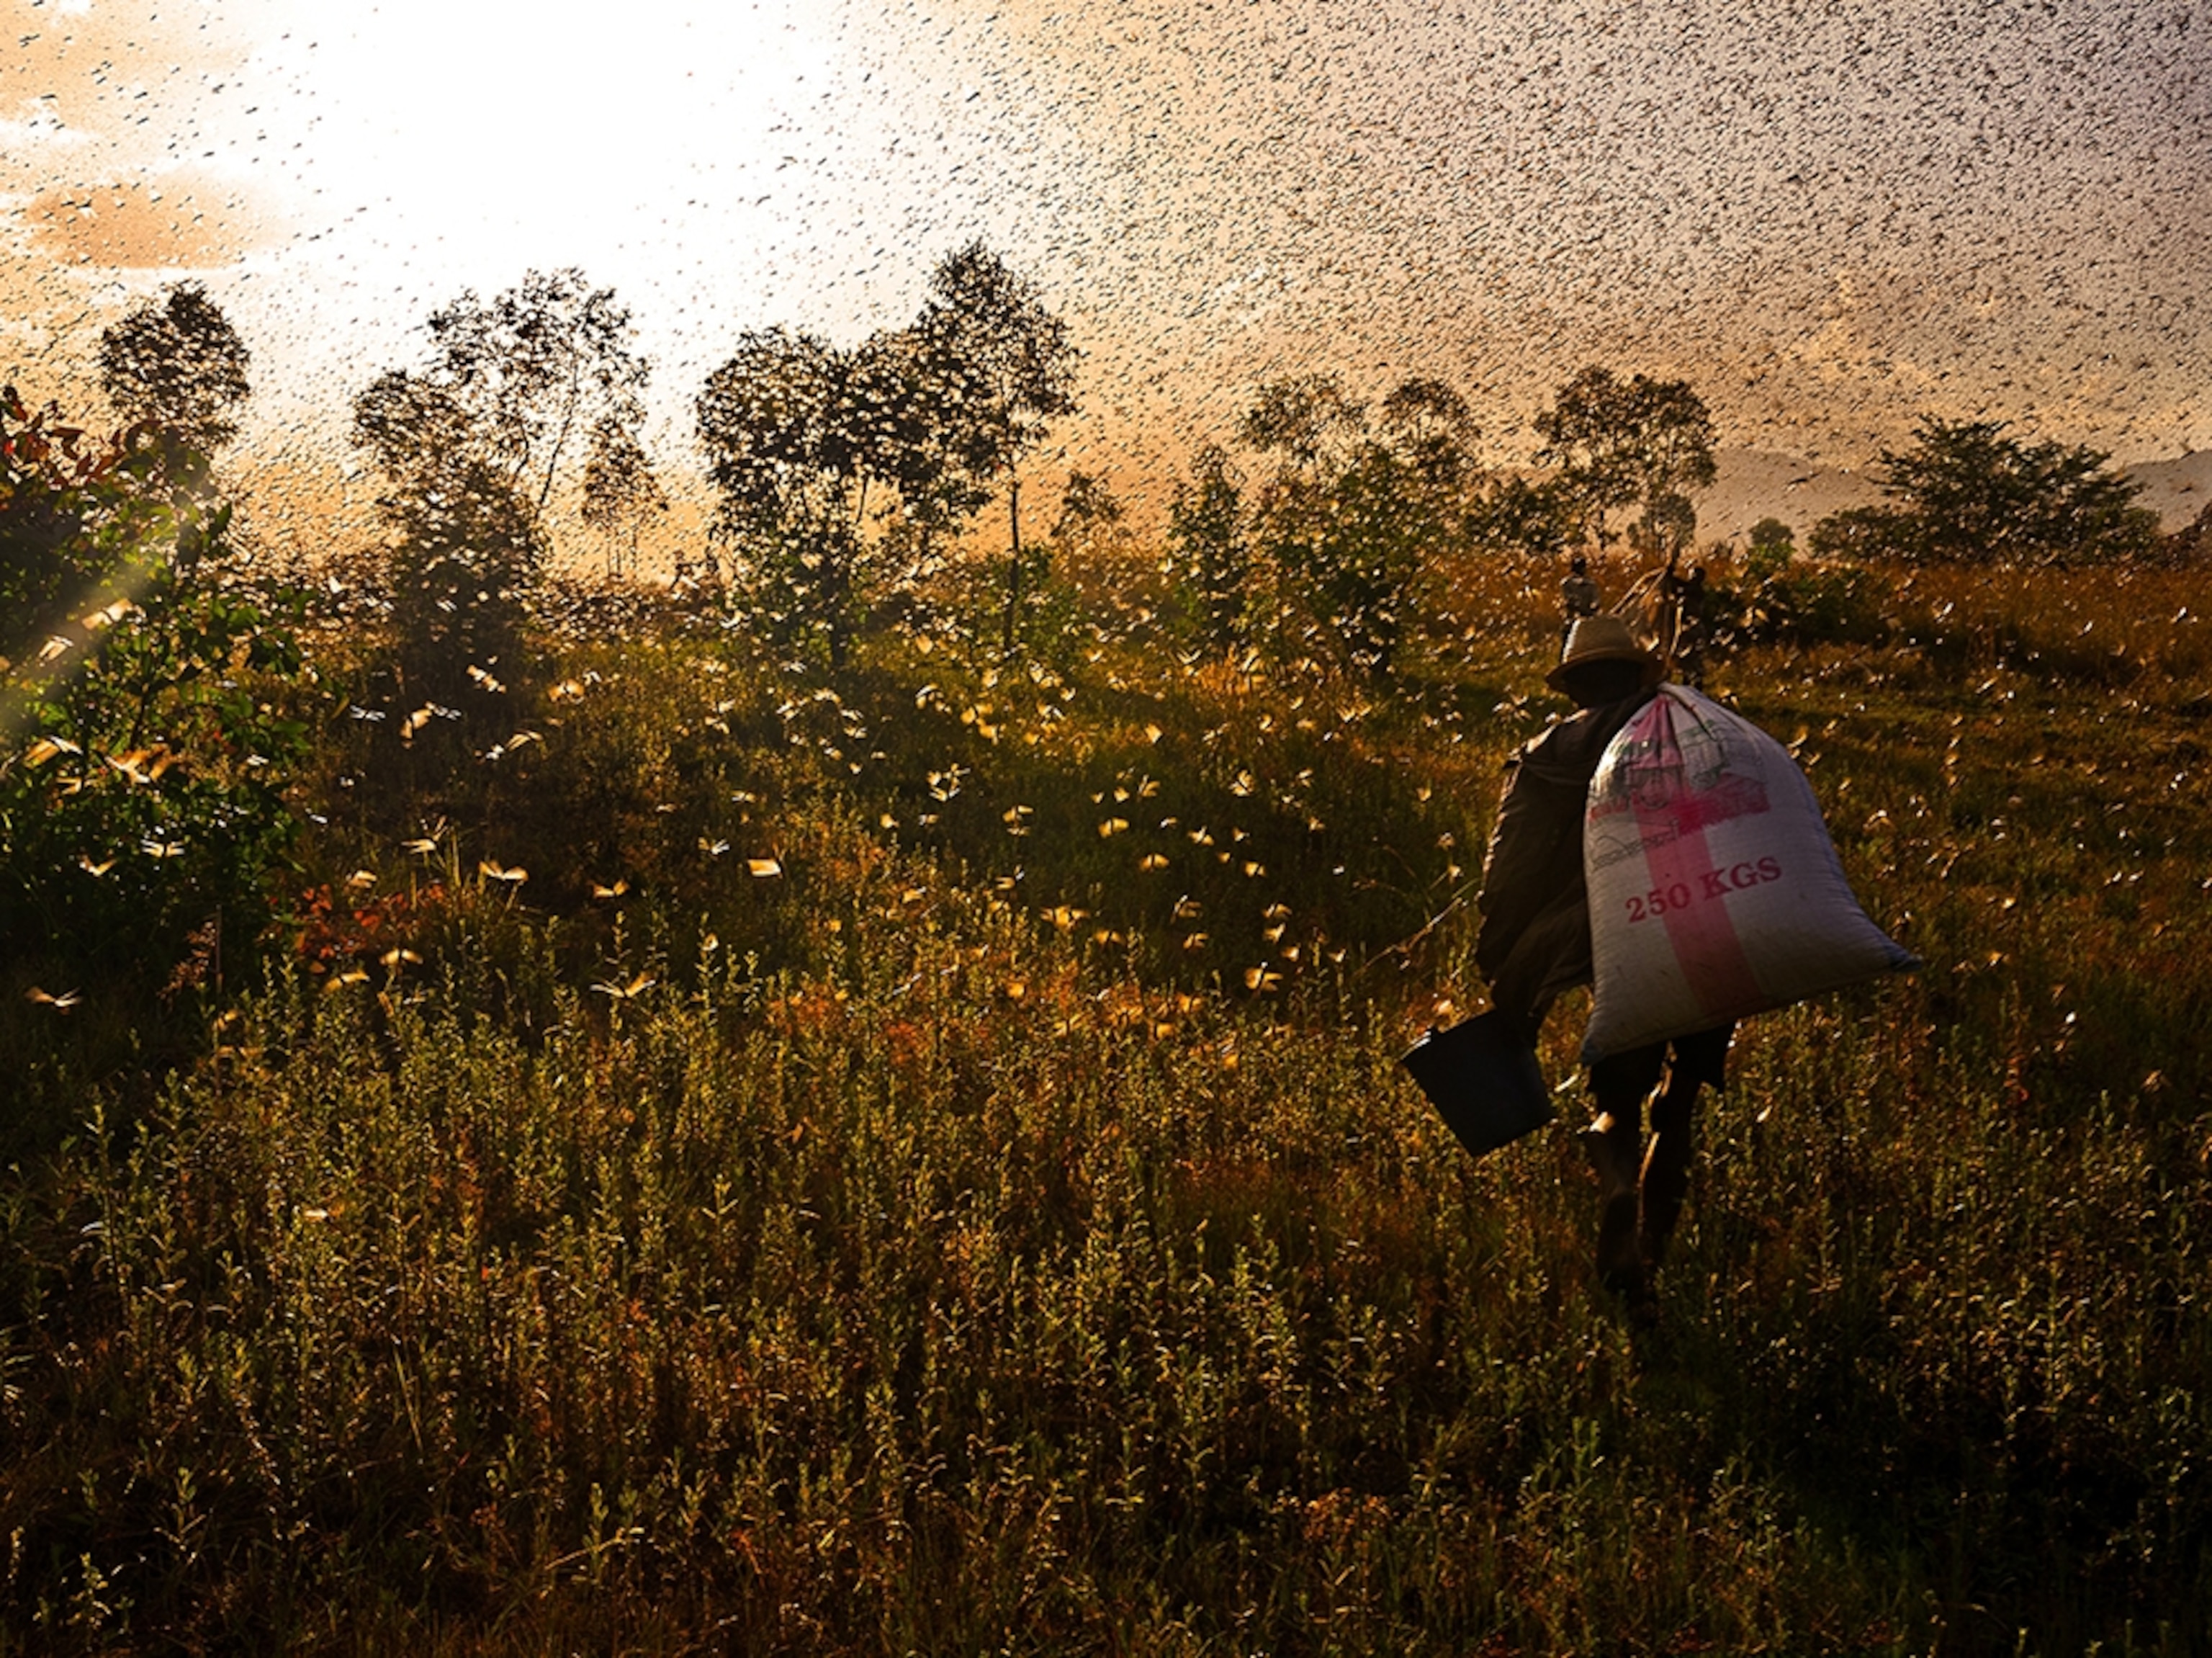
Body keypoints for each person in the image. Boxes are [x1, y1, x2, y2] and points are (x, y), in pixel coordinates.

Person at [1472, 614, 1733, 1302]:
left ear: (1576, 686)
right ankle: (1650, 1253)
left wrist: (1500, 951)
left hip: (1617, 932)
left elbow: (1514, 863)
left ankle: (1618, 1177)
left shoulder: (1550, 752)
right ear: (1639, 675)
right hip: (1709, 918)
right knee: (1680, 1102)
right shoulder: (1696, 732)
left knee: (1619, 1096)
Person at [1560, 553, 1600, 645]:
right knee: (1567, 634)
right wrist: (1578, 608)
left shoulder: (1591, 584)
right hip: (1573, 618)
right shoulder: (1567, 583)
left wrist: (1592, 608)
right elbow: (1568, 600)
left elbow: (1596, 599)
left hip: (1588, 618)